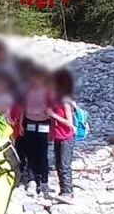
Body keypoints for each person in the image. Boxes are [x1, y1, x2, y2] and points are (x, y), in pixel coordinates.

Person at [18, 66, 53, 197]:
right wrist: (21, 124)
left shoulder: (48, 92)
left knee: (42, 154)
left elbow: (53, 111)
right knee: (30, 152)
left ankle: (44, 180)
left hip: (44, 124)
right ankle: (32, 179)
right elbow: (22, 108)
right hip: (29, 123)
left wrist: (52, 130)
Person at [48, 69, 77, 201]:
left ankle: (68, 192)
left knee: (65, 165)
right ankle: (63, 191)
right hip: (58, 136)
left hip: (66, 137)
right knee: (59, 164)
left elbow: (69, 123)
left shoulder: (64, 101)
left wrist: (53, 115)